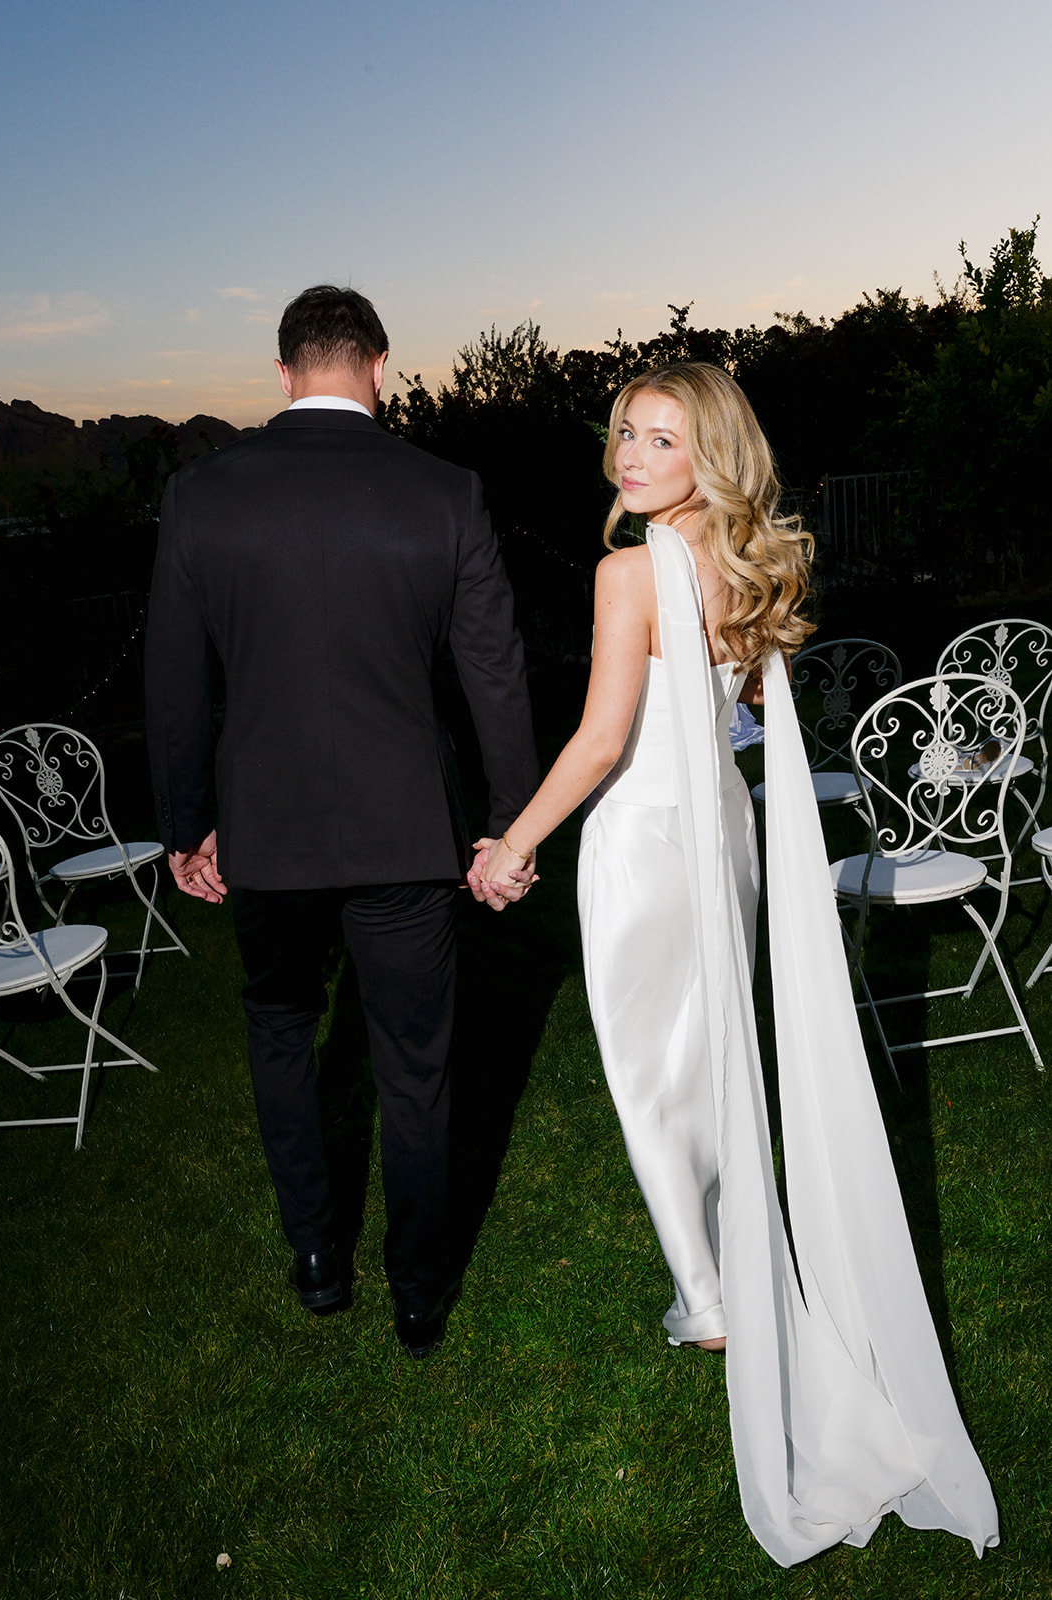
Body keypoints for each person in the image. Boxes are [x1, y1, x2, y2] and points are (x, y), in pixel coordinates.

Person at [471, 364, 999, 1565]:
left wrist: (514, 840)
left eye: (660, 437)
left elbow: (604, 737)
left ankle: (708, 1293)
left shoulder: (624, 572)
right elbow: (738, 719)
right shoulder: (758, 561)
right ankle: (718, 1265)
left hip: (646, 847)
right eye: (623, 432)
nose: (630, 454)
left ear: (708, 452)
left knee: (650, 1075)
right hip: (724, 835)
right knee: (707, 1055)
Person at [145, 285, 538, 1360]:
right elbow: (494, 675)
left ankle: (317, 1259)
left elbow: (174, 682)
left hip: (263, 834)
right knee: (416, 1064)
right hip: (406, 831)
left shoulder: (202, 497)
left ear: (283, 374)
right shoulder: (444, 492)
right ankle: (419, 1292)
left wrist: (187, 824)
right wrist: (513, 822)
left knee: (280, 1031)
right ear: (377, 365)